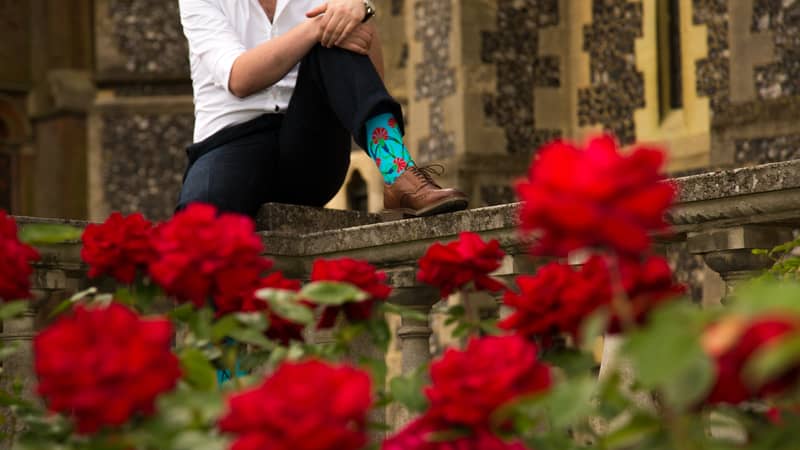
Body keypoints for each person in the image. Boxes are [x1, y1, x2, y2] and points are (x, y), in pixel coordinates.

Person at [176, 0, 468, 218]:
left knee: (336, 31)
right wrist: (316, 28)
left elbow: (372, 81)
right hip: (231, 142)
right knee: (198, 220)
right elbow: (240, 78)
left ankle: (398, 171)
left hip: (311, 143)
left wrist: (360, 12)